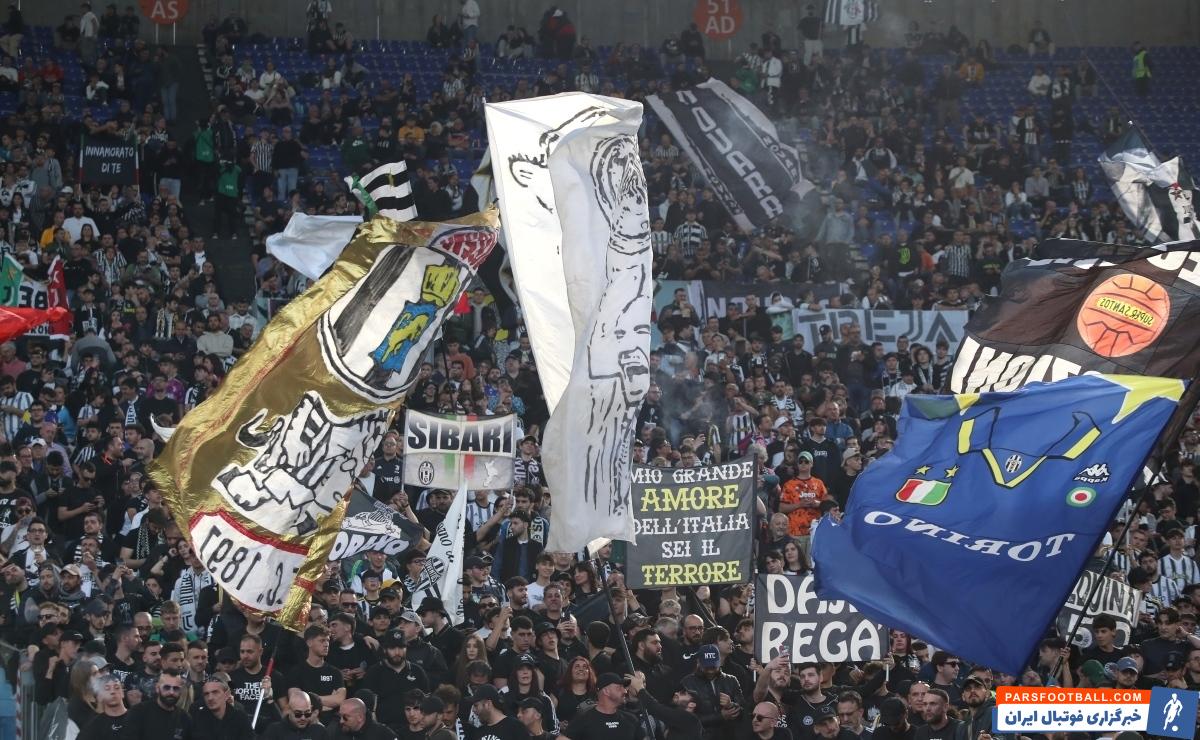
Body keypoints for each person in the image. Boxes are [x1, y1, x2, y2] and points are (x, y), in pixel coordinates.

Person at [558, 674, 640, 740]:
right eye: (619, 687)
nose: (625, 691)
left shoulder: (631, 719)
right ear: (606, 691)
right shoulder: (584, 719)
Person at [120, 671, 192, 740]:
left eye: (176, 688)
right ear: (157, 688)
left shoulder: (184, 718)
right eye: (166, 687)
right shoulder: (138, 712)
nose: (171, 692)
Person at [329, 698, 395, 740]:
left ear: (360, 717)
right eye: (340, 716)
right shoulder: (337, 730)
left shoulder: (382, 734)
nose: (341, 721)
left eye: (345, 717)